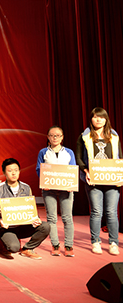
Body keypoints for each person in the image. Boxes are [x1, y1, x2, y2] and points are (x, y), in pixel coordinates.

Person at [75, 107, 122, 255]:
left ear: (106, 119)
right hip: (93, 180)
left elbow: (119, 157)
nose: (98, 119)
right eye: (95, 117)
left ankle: (113, 242)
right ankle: (95, 241)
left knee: (111, 212)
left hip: (111, 179)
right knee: (96, 212)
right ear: (91, 119)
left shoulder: (114, 136)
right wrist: (86, 171)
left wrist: (120, 175)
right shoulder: (84, 136)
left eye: (101, 117)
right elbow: (78, 157)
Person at [0, 158, 50, 259]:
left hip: (23, 226)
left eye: (16, 170)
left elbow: (31, 208)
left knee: (45, 226)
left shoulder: (26, 188)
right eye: (10, 171)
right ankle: (7, 245)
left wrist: (36, 218)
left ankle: (27, 249)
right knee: (14, 247)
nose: (13, 173)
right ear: (4, 173)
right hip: (7, 228)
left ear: (19, 171)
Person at [36, 126, 76, 257]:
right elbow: (39, 169)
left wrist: (72, 184)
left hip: (66, 190)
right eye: (52, 135)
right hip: (49, 190)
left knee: (67, 218)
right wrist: (44, 182)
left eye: (58, 135)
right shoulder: (43, 152)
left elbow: (73, 169)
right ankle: (55, 245)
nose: (55, 138)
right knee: (51, 218)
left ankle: (69, 245)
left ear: (62, 137)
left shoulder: (69, 152)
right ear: (48, 137)